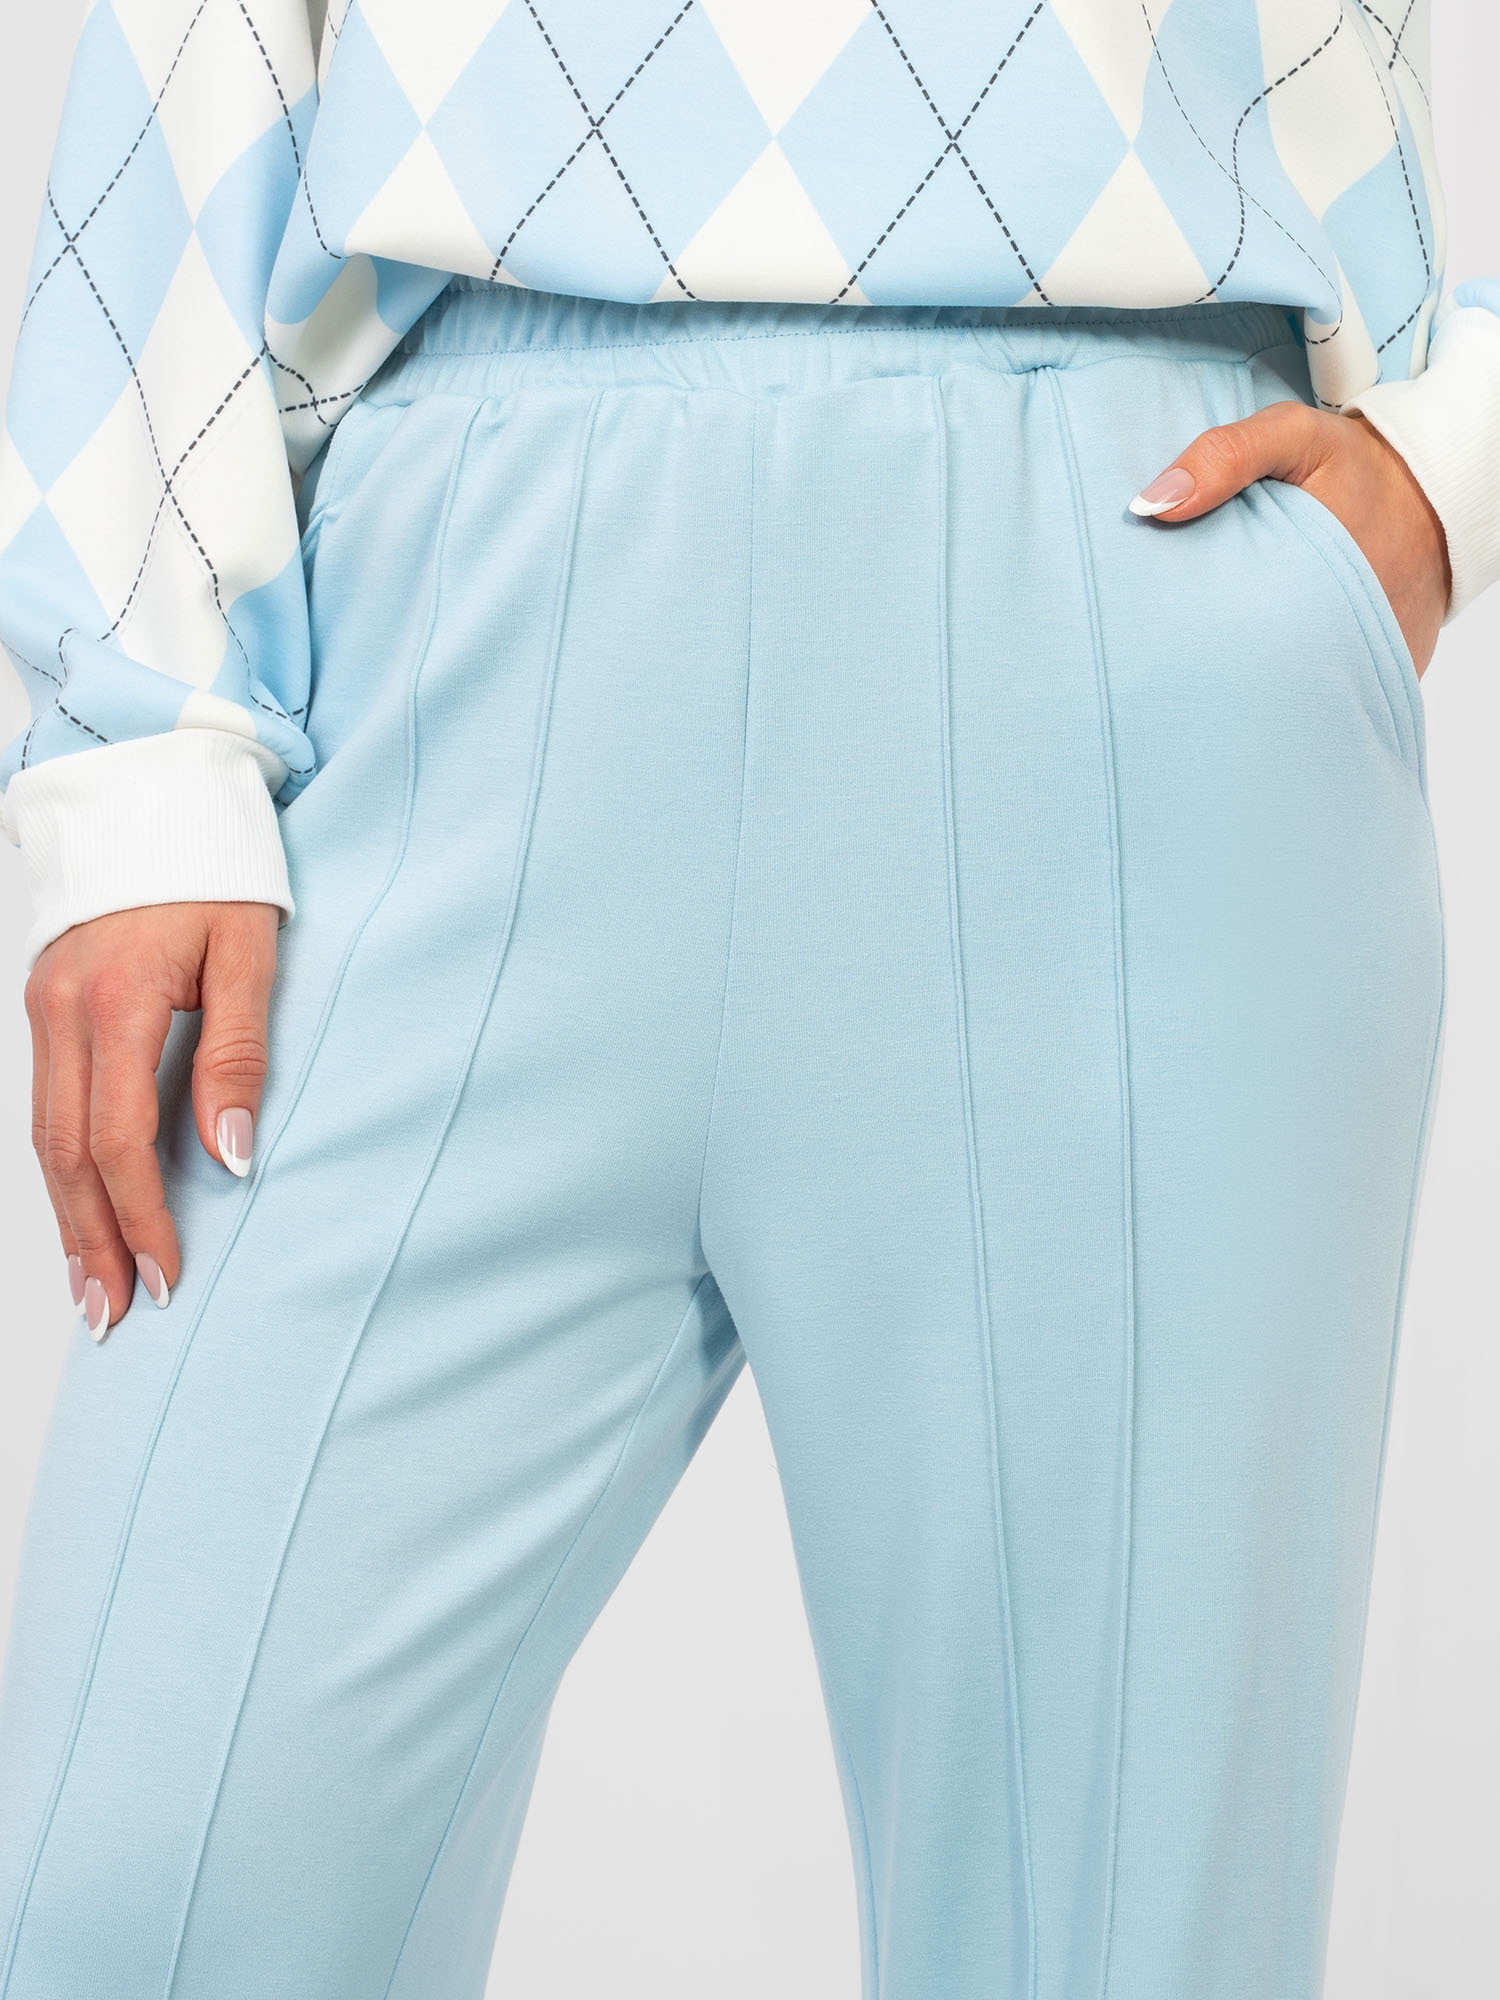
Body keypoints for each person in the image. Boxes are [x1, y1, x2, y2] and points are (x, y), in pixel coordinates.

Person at [0, 4, 1489, 1996]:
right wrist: (131, 714)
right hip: (437, 610)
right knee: (134, 1905)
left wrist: (1458, 459)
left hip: (1136, 584)